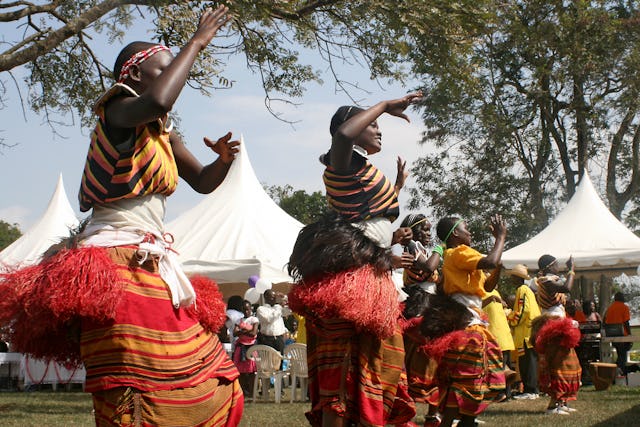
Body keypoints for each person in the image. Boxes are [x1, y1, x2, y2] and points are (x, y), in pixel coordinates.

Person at [0, 7, 244, 426]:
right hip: (113, 261)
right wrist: (197, 41)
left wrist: (221, 161)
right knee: (134, 382)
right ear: (133, 77)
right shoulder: (117, 111)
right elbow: (160, 98)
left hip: (149, 258)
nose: (172, 75)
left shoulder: (163, 133)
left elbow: (203, 182)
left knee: (210, 380)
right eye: (162, 68)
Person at [288, 93, 422, 427]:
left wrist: (397, 187)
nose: (379, 130)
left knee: (375, 362)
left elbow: (370, 220)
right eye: (372, 124)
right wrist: (385, 106)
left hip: (371, 274)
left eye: (378, 123)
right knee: (345, 367)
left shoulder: (358, 168)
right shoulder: (341, 161)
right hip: (354, 279)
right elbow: (344, 136)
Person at [428, 215, 507, 427]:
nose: (470, 233)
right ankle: (464, 420)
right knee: (469, 379)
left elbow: (488, 286)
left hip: (471, 320)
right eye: (466, 229)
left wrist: (497, 266)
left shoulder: (459, 258)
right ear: (455, 234)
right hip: (467, 324)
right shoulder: (459, 253)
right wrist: (500, 237)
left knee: (468, 379)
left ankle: (465, 421)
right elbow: (489, 260)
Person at [401, 286, 441, 427]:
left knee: (432, 375)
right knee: (411, 378)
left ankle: (431, 417)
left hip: (427, 307)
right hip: (419, 302)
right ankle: (407, 417)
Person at [530, 314, 582, 415]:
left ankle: (561, 404)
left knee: (568, 373)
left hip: (560, 335)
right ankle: (552, 407)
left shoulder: (562, 339)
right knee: (559, 380)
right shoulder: (551, 338)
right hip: (556, 338)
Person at [506, 264, 541, 400]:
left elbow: (522, 311)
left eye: (513, 277)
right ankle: (529, 389)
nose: (511, 280)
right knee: (526, 361)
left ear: (517, 277)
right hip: (525, 334)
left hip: (526, 333)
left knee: (528, 361)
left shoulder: (522, 290)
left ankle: (531, 390)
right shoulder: (526, 290)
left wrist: (510, 317)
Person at [482, 281, 516, 400]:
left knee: (499, 367)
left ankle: (501, 393)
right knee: (505, 366)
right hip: (501, 335)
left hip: (497, 336)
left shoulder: (488, 293)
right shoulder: (490, 294)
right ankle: (506, 393)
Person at [399, 213, 441, 295]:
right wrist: (438, 250)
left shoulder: (419, 248)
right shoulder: (412, 246)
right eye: (425, 230)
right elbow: (429, 267)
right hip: (421, 295)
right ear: (412, 232)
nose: (429, 234)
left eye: (429, 230)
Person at [233, 300, 259, 397]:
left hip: (251, 347)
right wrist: (247, 330)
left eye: (248, 309)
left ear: (251, 308)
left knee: (252, 371)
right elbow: (234, 333)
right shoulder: (238, 320)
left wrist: (242, 331)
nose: (246, 312)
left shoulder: (254, 320)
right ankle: (242, 392)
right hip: (241, 347)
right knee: (241, 372)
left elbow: (254, 333)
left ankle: (252, 392)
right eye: (244, 310)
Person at [604, 292, 632, 375]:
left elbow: (604, 321)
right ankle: (618, 370)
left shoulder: (609, 308)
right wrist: (630, 335)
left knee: (620, 354)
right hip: (622, 335)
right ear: (621, 298)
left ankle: (620, 370)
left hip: (611, 335)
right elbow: (626, 322)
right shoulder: (624, 307)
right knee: (622, 354)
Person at [256, 289, 291, 354]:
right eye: (272, 297)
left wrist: (284, 297)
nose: (274, 299)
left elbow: (289, 311)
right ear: (266, 297)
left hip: (279, 339)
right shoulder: (261, 309)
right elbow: (269, 319)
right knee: (267, 361)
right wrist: (279, 307)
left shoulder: (278, 307)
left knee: (280, 361)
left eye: (275, 297)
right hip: (267, 339)